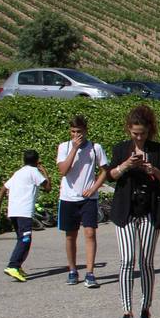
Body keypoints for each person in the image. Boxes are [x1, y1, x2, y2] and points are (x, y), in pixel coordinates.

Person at [105, 105, 160, 318]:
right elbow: (111, 175)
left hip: (150, 209)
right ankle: (127, 311)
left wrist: (152, 169)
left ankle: (145, 307)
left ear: (149, 130)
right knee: (126, 261)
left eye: (143, 133)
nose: (139, 137)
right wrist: (126, 165)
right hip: (125, 210)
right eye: (135, 133)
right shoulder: (120, 149)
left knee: (146, 262)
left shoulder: (158, 150)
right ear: (129, 130)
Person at [55, 115, 107, 288]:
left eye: (79, 131)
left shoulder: (95, 147)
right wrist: (74, 149)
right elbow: (63, 170)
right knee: (70, 235)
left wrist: (94, 187)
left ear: (86, 131)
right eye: (73, 131)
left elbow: (105, 170)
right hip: (68, 197)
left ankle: (90, 273)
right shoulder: (64, 147)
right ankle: (72, 270)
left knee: (90, 233)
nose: (76, 135)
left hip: (88, 198)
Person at [0, 150, 47, 282]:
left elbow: (4, 188)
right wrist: (44, 171)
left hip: (13, 211)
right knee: (25, 239)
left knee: (21, 239)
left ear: (24, 160)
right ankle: (13, 266)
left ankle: (18, 266)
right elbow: (48, 187)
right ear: (37, 161)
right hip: (24, 212)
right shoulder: (34, 172)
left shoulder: (18, 172)